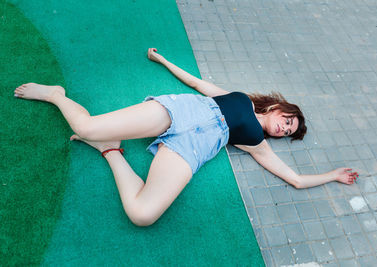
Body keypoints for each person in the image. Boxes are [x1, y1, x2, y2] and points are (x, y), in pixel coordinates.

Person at [13, 48, 358, 227]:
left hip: (193, 149)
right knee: (85, 127)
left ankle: (110, 150)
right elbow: (197, 84)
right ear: (280, 108)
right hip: (186, 111)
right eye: (288, 121)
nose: (285, 129)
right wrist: (162, 59)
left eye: (289, 132)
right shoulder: (243, 99)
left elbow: (295, 179)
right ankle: (57, 95)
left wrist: (334, 175)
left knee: (143, 214)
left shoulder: (257, 143)